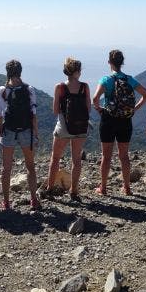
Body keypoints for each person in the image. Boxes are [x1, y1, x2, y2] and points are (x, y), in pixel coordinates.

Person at [92, 49, 146, 195]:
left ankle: (103, 188)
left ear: (109, 62)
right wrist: (134, 110)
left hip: (108, 120)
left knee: (106, 156)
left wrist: (100, 110)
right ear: (122, 62)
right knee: (124, 155)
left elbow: (95, 99)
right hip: (125, 120)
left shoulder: (106, 80)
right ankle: (127, 188)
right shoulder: (129, 79)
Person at [42, 57, 91, 202]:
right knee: (76, 160)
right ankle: (74, 190)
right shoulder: (85, 87)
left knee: (55, 158)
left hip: (63, 128)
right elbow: (88, 108)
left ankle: (50, 188)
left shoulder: (60, 87)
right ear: (76, 71)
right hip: (81, 127)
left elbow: (55, 110)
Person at [0, 60, 40, 210]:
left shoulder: (2, 91)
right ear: (20, 72)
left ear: (7, 72)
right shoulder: (29, 89)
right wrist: (36, 133)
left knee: (6, 168)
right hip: (26, 130)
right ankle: (33, 199)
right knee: (30, 166)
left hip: (8, 131)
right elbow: (33, 114)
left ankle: (6, 202)